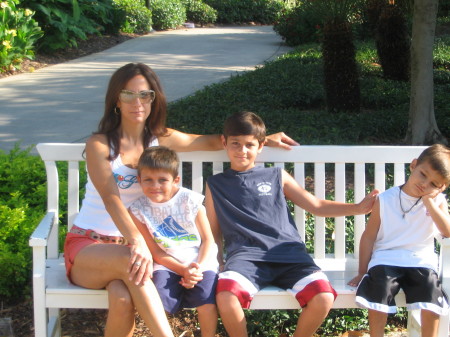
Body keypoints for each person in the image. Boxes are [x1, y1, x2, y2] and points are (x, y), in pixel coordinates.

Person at [63, 63, 297, 337]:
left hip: (133, 252)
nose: (137, 102)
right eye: (128, 95)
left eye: (145, 95)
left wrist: (261, 139)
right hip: (90, 245)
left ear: (154, 99)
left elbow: (209, 142)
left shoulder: (160, 139)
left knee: (123, 298)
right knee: (133, 263)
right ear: (116, 99)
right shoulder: (100, 144)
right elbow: (110, 197)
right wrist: (137, 242)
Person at [204, 111, 379, 337]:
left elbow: (315, 205)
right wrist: (217, 262)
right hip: (245, 258)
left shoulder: (276, 175)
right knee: (226, 297)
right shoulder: (216, 184)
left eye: (249, 144)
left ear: (261, 146)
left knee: (323, 296)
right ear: (224, 142)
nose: (242, 151)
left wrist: (357, 208)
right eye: (235, 144)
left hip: (289, 255)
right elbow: (213, 231)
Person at [348, 144, 450, 337]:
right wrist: (362, 271)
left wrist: (429, 202)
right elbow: (369, 236)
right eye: (423, 174)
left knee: (429, 287)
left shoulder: (437, 202)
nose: (425, 184)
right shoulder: (385, 199)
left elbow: (448, 231)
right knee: (380, 285)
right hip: (386, 258)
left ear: (441, 187)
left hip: (420, 259)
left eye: (434, 184)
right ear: (413, 166)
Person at [128, 146, 219, 337]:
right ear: (139, 180)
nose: (155, 186)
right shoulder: (138, 210)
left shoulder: (190, 201)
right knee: (158, 301)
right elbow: (156, 253)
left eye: (162, 180)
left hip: (200, 261)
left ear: (175, 180)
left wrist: (196, 269)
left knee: (205, 300)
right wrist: (182, 271)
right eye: (148, 180)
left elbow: (208, 241)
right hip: (166, 264)